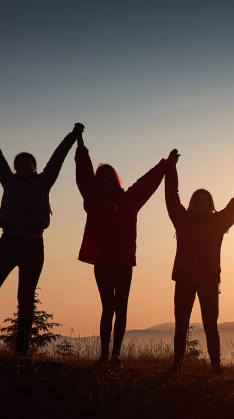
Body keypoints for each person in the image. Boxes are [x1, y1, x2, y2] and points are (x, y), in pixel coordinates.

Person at [0, 112, 81, 356]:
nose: (23, 167)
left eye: (27, 164)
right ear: (14, 168)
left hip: (33, 246)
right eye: (19, 164)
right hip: (7, 244)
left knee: (26, 299)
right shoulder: (7, 180)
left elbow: (57, 159)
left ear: (34, 167)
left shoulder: (44, 181)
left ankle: (21, 351)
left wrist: (71, 137)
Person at [75, 129, 177, 370]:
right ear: (98, 180)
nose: (106, 179)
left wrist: (165, 165)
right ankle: (103, 356)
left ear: (115, 178)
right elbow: (83, 175)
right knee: (107, 308)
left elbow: (146, 183)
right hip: (102, 261)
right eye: (102, 176)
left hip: (123, 263)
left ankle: (115, 358)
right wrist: (80, 145)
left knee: (121, 308)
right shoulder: (93, 200)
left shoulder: (129, 200)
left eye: (109, 176)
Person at [165, 160, 234, 374]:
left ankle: (216, 366)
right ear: (192, 203)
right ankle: (177, 365)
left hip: (208, 281)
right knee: (181, 325)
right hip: (184, 280)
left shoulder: (218, 222)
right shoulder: (182, 219)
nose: (201, 203)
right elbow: (171, 196)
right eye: (197, 200)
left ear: (210, 203)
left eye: (204, 200)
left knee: (210, 326)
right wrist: (171, 169)